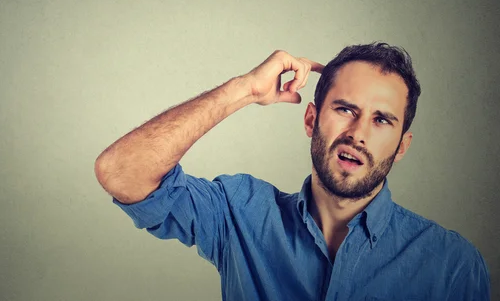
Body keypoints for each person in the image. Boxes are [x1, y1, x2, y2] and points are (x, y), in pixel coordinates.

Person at [94, 42, 490, 301]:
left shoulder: (452, 265)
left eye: (382, 120)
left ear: (402, 146)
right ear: (310, 119)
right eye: (345, 110)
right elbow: (121, 172)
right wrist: (246, 89)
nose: (358, 135)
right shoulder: (240, 214)